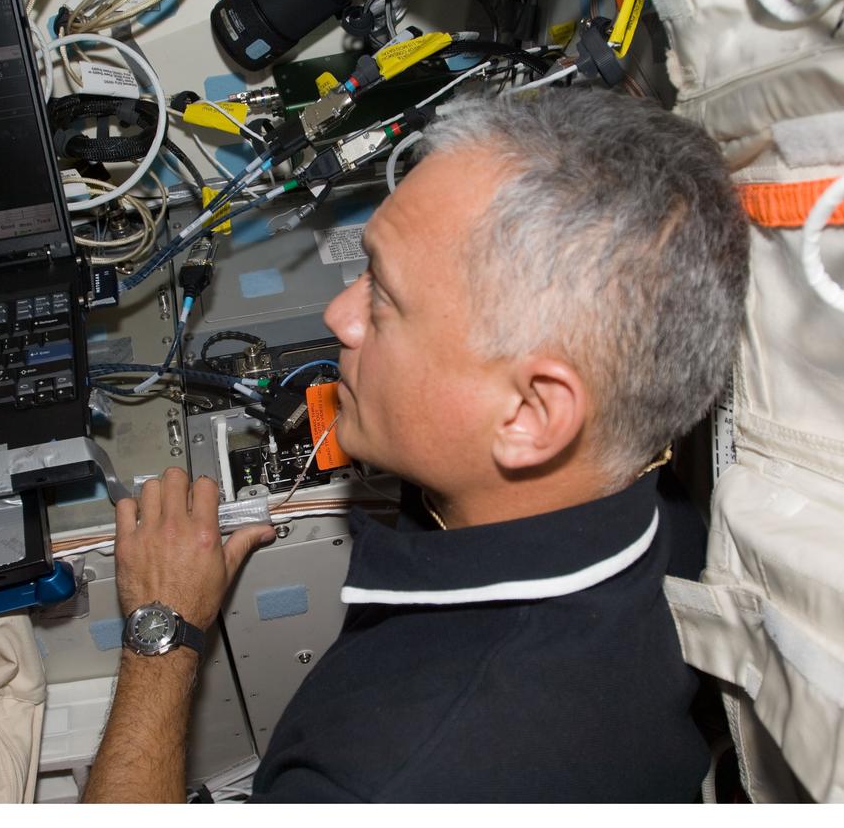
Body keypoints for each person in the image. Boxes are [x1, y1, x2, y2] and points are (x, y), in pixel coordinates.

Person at [82, 88, 751, 802]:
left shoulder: (391, 773)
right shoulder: (668, 522)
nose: (339, 315)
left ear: (530, 414)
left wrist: (165, 627)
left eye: (384, 299)